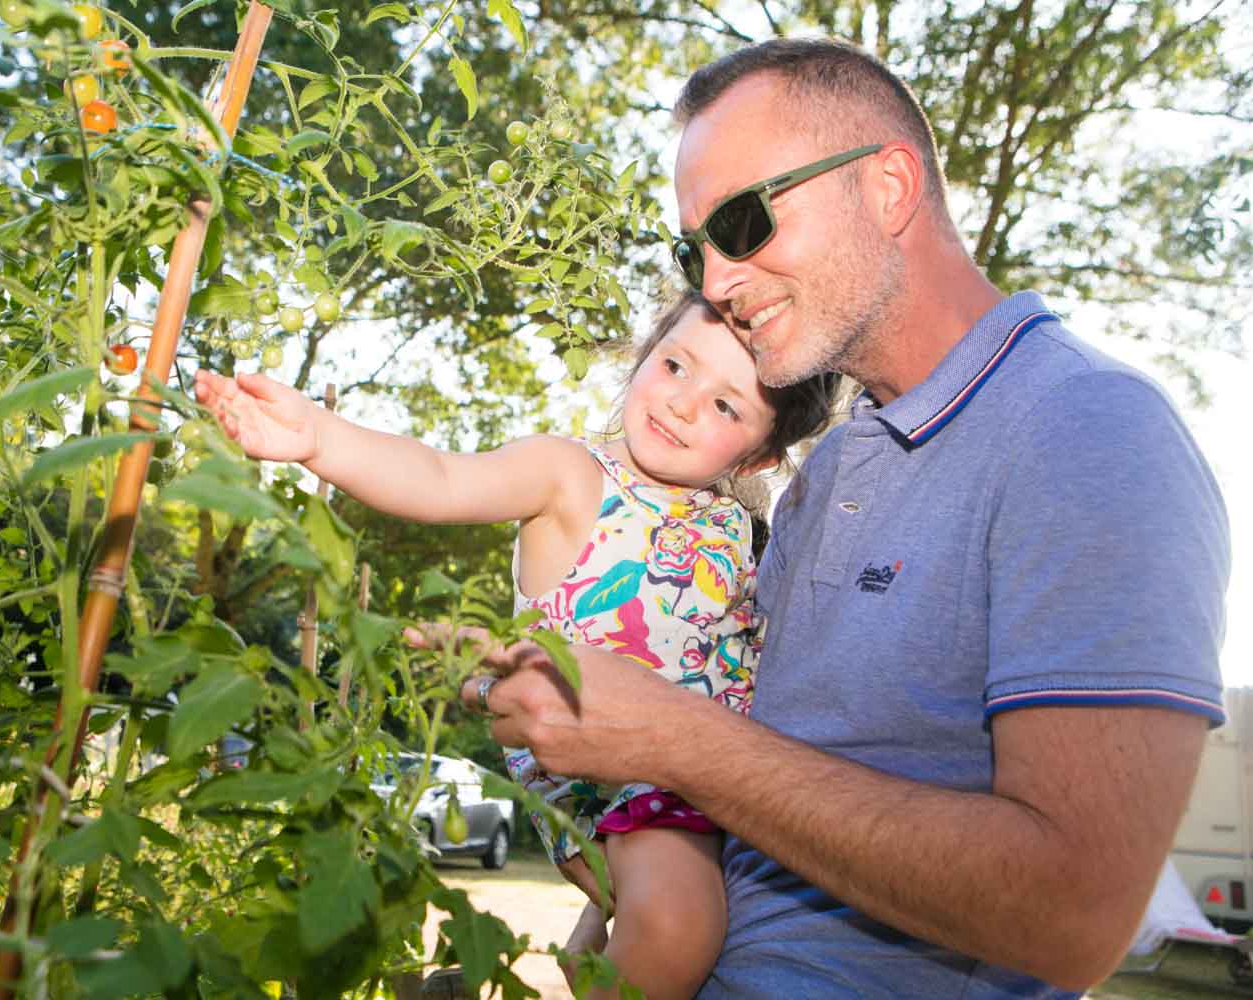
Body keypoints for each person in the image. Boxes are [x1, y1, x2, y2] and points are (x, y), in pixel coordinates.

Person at [432, 37, 1231, 999]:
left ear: (888, 187)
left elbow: (1073, 918)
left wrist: (669, 737)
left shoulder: (1087, 429)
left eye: (741, 221)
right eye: (697, 248)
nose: (717, 281)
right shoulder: (821, 474)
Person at [195, 290, 839, 1000]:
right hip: (615, 776)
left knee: (674, 908)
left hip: (712, 781)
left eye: (726, 407)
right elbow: (442, 477)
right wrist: (321, 438)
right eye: (676, 365)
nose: (683, 403)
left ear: (758, 458)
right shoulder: (570, 474)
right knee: (680, 929)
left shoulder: (732, 523)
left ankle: (583, 944)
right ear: (644, 355)